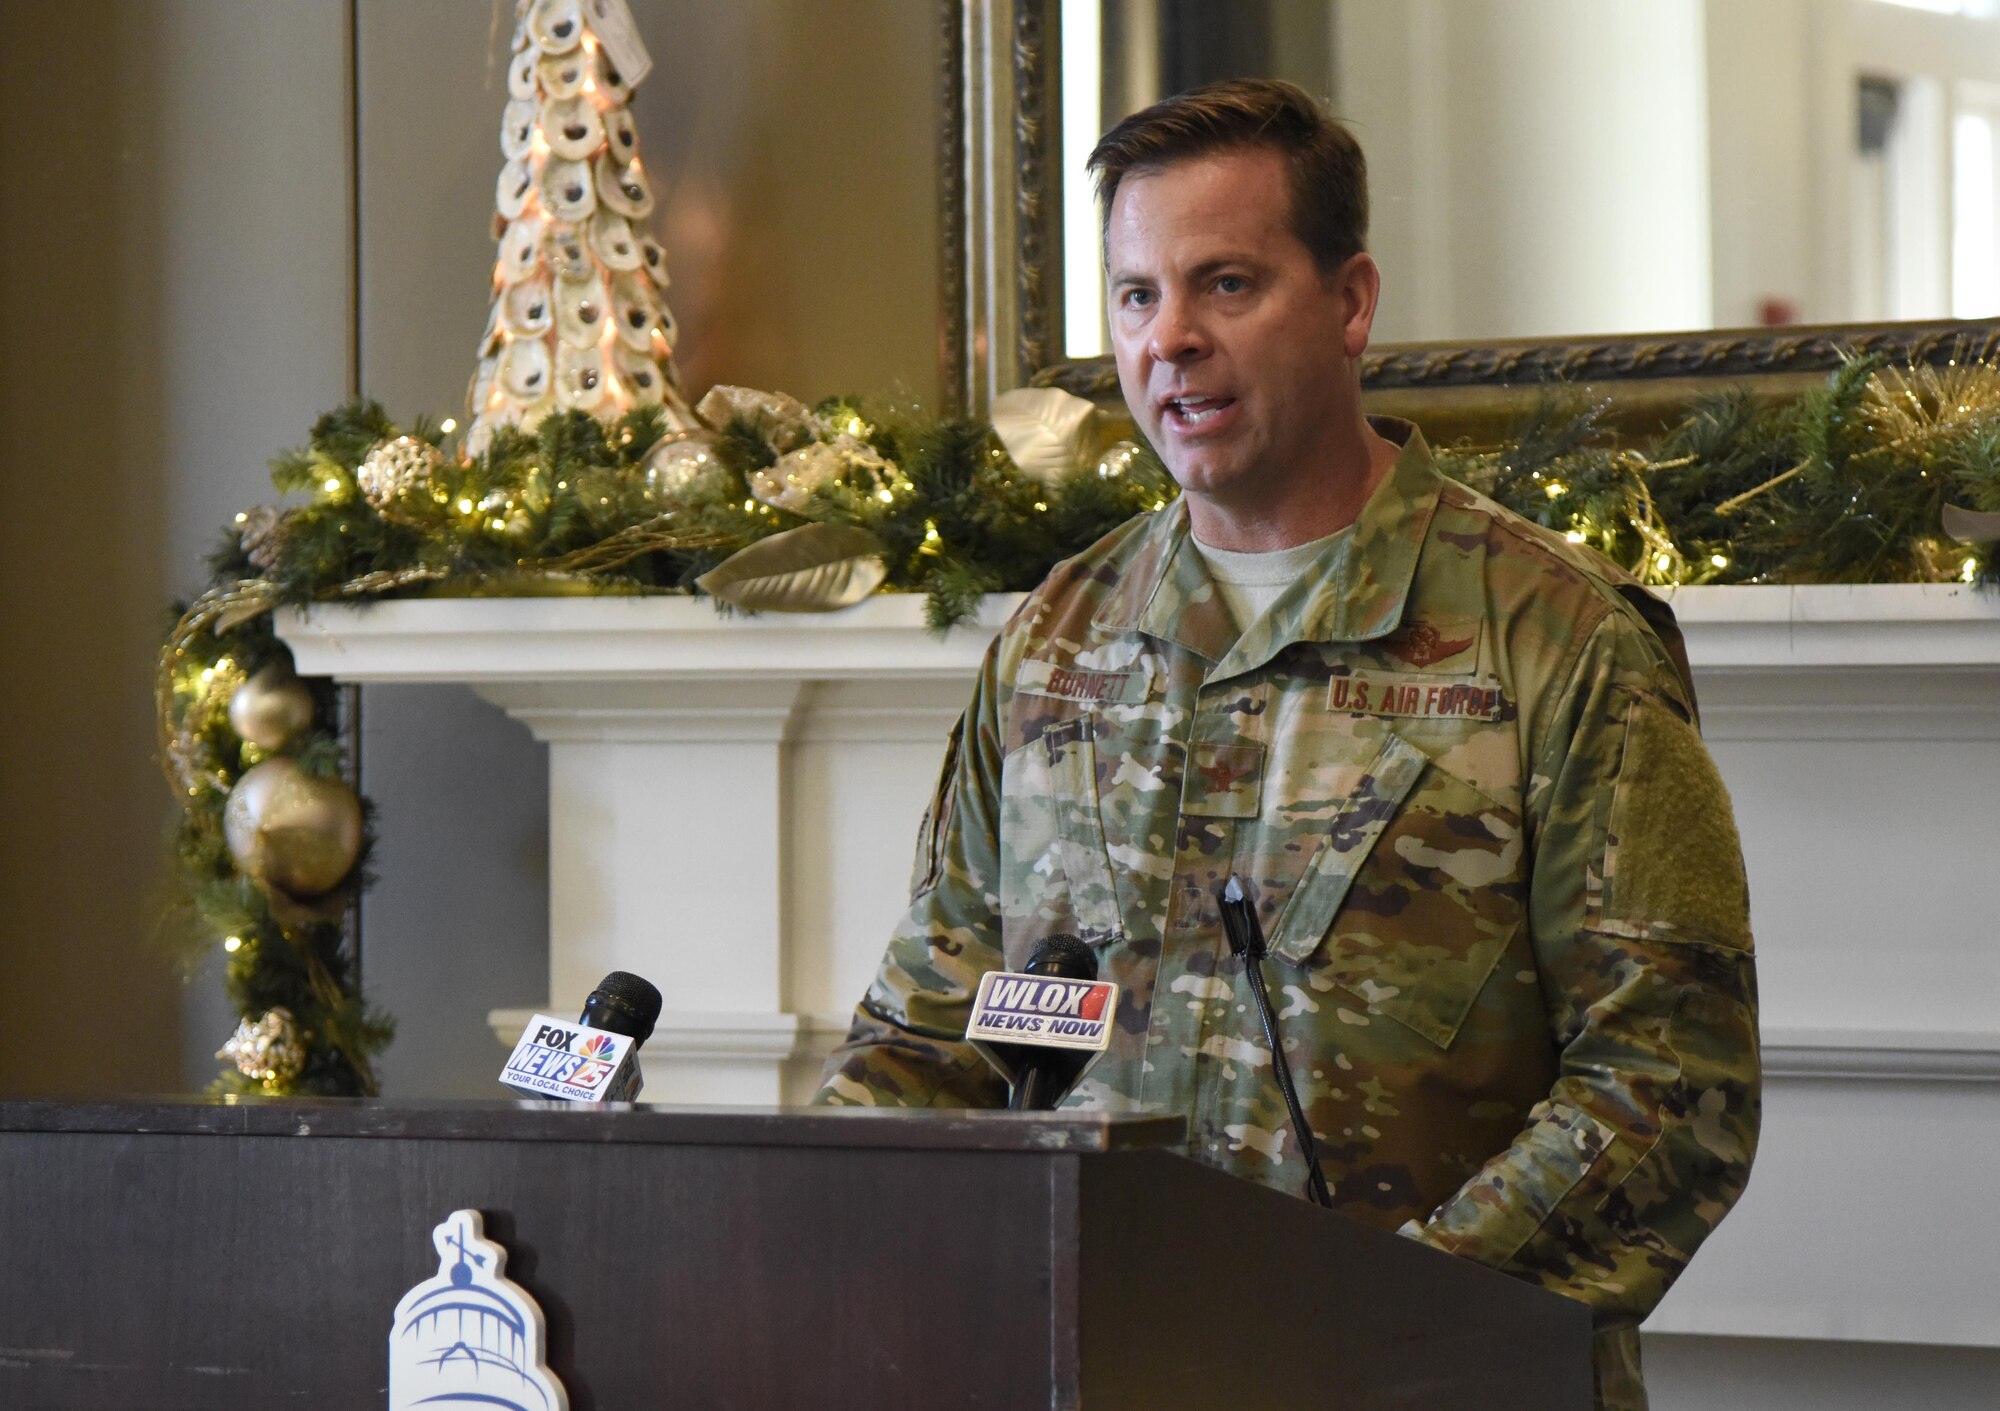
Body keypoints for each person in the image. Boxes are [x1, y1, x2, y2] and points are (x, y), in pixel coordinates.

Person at [814, 78, 1759, 1411]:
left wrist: (1372, 1329)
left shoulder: (1559, 642)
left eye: (1227, 285)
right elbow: (933, 1029)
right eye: (1137, 296)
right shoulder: (1055, 643)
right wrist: (809, 1248)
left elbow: (1670, 1090)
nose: (1172, 340)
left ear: (1352, 302)